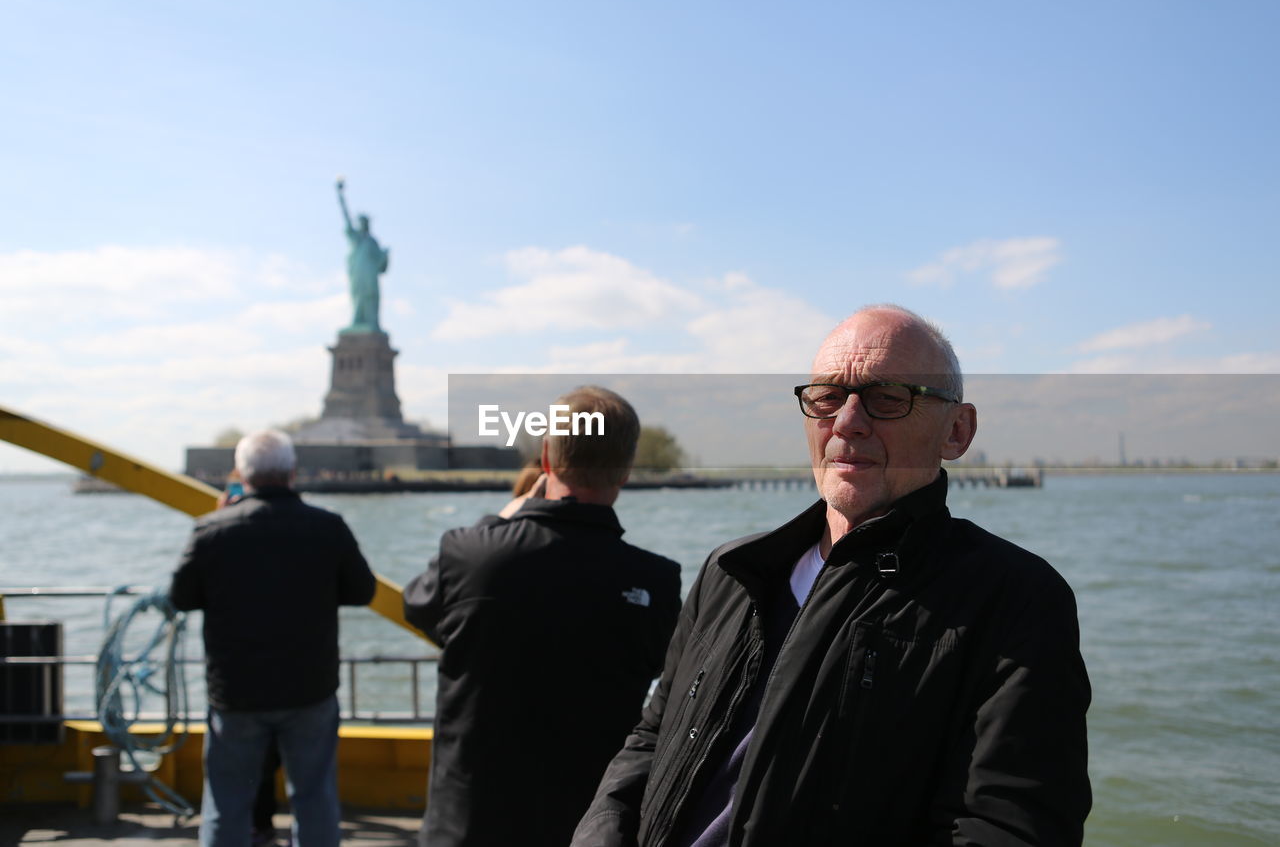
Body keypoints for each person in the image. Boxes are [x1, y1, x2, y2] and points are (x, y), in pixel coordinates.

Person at [573, 305, 1092, 846]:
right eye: (825, 398)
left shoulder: (1013, 601)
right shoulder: (731, 573)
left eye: (887, 398)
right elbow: (652, 739)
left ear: (956, 431)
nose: (847, 422)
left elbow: (1008, 828)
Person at [403, 386, 683, 847]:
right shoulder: (654, 580)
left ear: (548, 458)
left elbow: (421, 608)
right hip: (585, 824)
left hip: (469, 824)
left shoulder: (470, 552)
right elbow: (658, 670)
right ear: (626, 469)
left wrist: (501, 520)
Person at [169, 429, 376, 847]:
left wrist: (218, 519)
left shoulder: (211, 531)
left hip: (236, 691)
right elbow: (363, 591)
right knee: (314, 798)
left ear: (242, 476)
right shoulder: (328, 527)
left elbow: (181, 597)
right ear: (292, 473)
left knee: (227, 803)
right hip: (309, 688)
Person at [336, 177, 390, 333]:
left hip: (370, 275)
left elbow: (381, 266)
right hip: (358, 274)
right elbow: (345, 216)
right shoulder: (356, 239)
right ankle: (357, 320)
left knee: (371, 296)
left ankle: (372, 322)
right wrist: (340, 196)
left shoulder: (372, 242)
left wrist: (385, 256)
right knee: (358, 297)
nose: (362, 224)